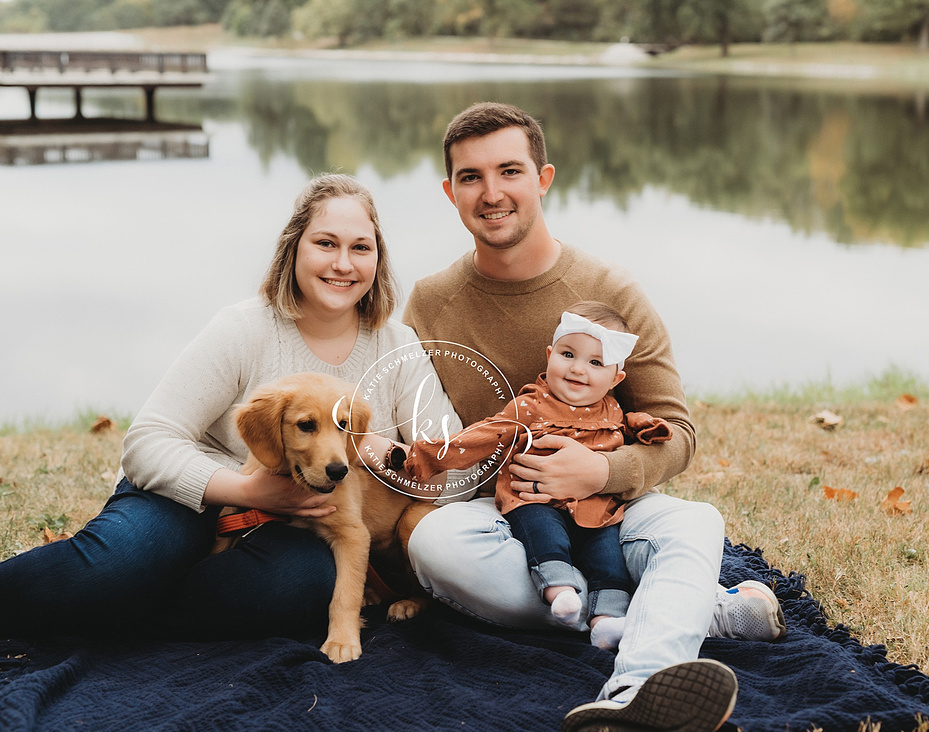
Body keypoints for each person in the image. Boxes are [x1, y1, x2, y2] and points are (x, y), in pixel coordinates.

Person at [402, 102, 785, 732]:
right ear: (451, 192)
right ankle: (694, 610)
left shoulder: (614, 292)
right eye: (471, 177)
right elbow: (408, 418)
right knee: (434, 546)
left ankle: (634, 694)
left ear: (543, 178)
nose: (492, 193)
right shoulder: (430, 301)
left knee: (697, 524)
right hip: (506, 513)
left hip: (612, 510)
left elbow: (676, 432)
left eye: (510, 171)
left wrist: (600, 471)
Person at [0, 174, 460, 641]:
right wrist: (249, 492)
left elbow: (460, 471)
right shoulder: (244, 328)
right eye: (325, 243)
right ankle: (115, 591)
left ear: (378, 259)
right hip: (192, 501)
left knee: (296, 585)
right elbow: (146, 443)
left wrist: (384, 450)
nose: (343, 263)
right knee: (117, 564)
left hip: (295, 530)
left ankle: (129, 613)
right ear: (293, 249)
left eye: (361, 247)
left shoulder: (398, 348)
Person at [392, 302, 674, 652]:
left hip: (595, 509)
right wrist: (430, 456)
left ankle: (606, 622)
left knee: (608, 557)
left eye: (596, 362)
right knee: (544, 535)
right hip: (534, 499)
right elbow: (486, 436)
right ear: (549, 354)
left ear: (616, 379)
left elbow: (632, 426)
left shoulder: (612, 408)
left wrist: (649, 428)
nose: (577, 369)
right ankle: (559, 591)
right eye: (568, 354)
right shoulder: (530, 406)